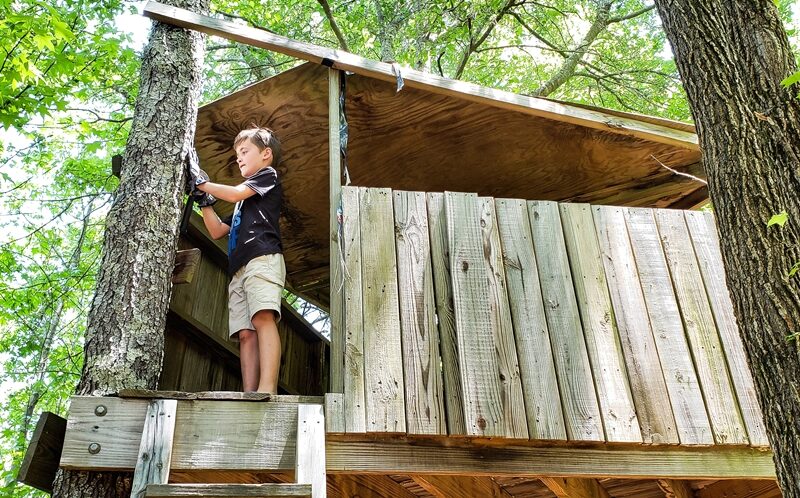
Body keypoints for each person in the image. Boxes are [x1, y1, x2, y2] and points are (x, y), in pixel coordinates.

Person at [188, 127, 285, 393]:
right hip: (238, 269)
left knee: (263, 317)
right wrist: (204, 200)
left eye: (245, 152)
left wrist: (201, 183)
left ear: (266, 154)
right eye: (237, 154)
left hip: (262, 257)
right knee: (245, 333)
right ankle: (249, 394)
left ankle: (267, 390)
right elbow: (217, 230)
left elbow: (233, 193)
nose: (239, 158)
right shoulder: (243, 204)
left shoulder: (268, 176)